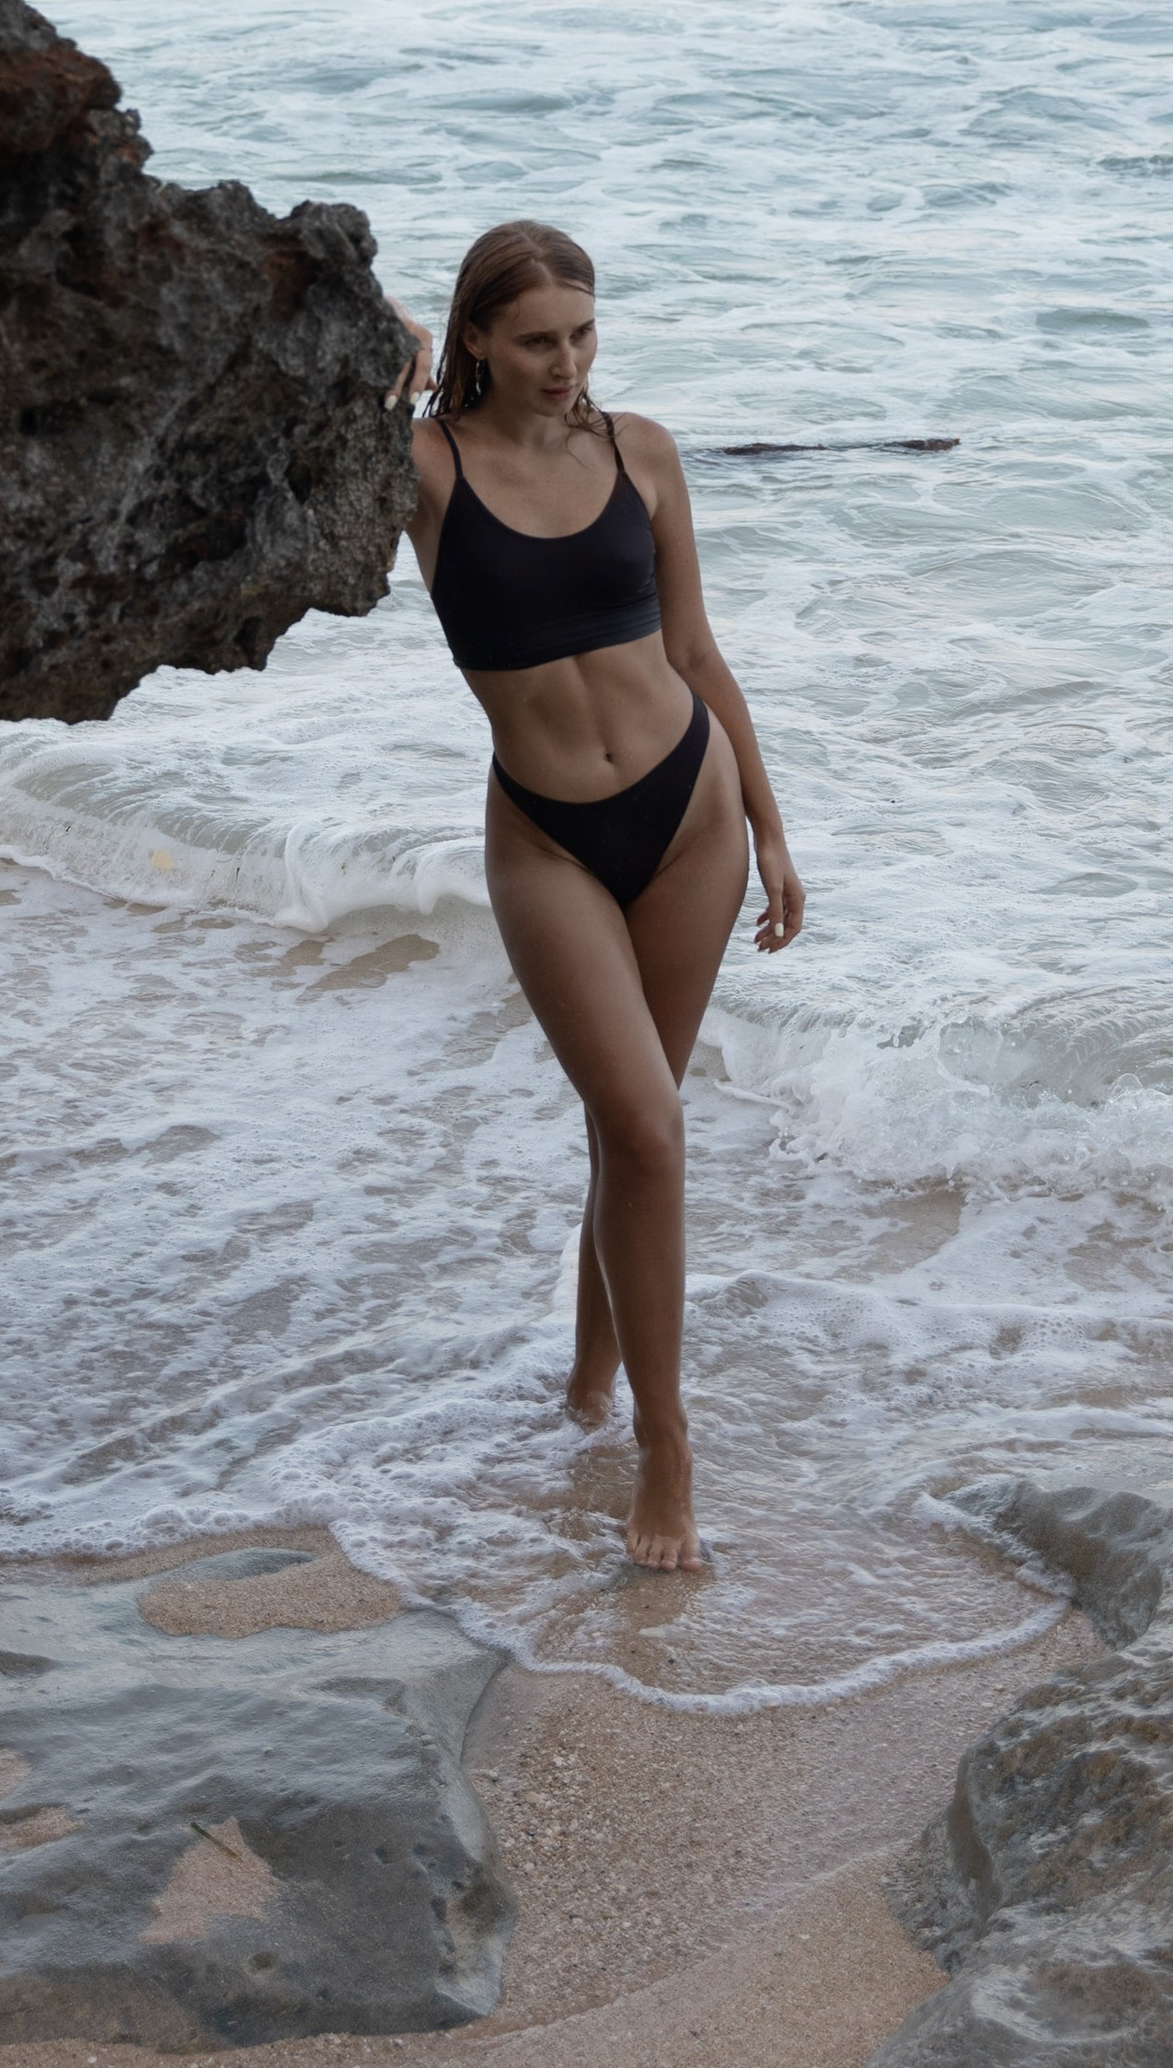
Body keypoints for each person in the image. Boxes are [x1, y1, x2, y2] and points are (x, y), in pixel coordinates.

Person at [394, 220, 804, 1572]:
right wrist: (381, 355)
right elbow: (283, 450)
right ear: (474, 341)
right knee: (642, 1125)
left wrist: (773, 824)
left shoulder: (643, 451)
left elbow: (694, 646)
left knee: (637, 1136)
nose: (566, 363)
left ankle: (591, 1390)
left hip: (690, 819)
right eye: (534, 341)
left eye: (582, 333)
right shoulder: (430, 471)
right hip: (548, 839)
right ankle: (663, 1446)